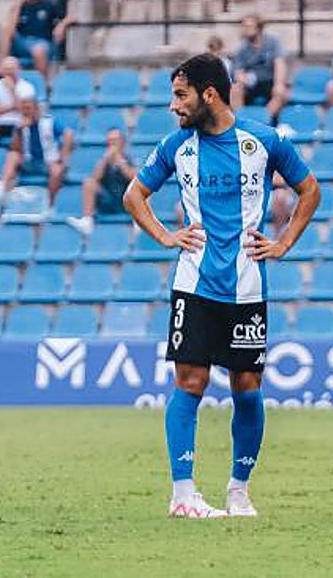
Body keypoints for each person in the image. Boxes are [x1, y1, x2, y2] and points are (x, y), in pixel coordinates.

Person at [123, 53, 320, 519]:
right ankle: (183, 494)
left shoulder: (264, 141)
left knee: (247, 388)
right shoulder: (177, 147)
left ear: (209, 93)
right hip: (194, 285)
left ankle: (238, 490)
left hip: (247, 288)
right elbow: (134, 195)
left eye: (180, 94)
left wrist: (285, 242)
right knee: (189, 384)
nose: (174, 105)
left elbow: (310, 189)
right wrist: (167, 237)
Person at [0, 97, 73, 204]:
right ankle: (2, 185)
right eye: (24, 110)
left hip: (48, 161)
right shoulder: (20, 125)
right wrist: (19, 131)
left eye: (28, 109)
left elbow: (69, 134)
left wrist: (63, 157)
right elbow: (15, 148)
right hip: (29, 161)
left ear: (36, 109)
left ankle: (50, 205)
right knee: (13, 155)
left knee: (57, 171)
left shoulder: (48, 122)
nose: (26, 112)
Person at [66, 127, 134, 237]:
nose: (112, 144)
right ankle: (87, 221)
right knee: (88, 183)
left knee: (140, 188)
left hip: (125, 202)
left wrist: (120, 161)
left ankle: (140, 221)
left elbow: (134, 178)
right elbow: (95, 178)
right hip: (107, 200)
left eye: (115, 140)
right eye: (110, 141)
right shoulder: (103, 161)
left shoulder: (129, 160)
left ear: (122, 142)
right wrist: (105, 160)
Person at [0, 0, 70, 74]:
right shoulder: (18, 5)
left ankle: (43, 84)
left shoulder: (49, 3)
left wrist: (62, 25)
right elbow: (10, 28)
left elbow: (70, 17)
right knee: (4, 26)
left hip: (42, 42)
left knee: (38, 50)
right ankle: (1, 69)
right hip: (22, 42)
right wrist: (19, 3)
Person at [230, 15, 288, 121]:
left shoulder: (272, 41)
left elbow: (279, 63)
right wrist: (242, 79)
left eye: (250, 26)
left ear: (259, 27)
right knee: (235, 90)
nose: (246, 29)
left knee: (281, 91)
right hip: (250, 84)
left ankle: (264, 121)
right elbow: (238, 71)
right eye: (244, 26)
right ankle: (242, 122)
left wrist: (279, 84)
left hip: (269, 81)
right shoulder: (241, 47)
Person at [0, 56, 36, 147]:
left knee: (22, 132)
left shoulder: (27, 87)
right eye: (7, 69)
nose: (9, 72)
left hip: (18, 123)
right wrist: (13, 106)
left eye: (12, 69)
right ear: (2, 71)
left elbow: (26, 112)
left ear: (19, 69)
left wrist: (12, 90)